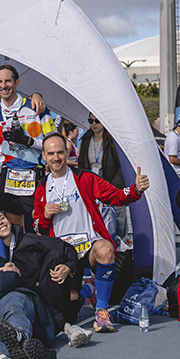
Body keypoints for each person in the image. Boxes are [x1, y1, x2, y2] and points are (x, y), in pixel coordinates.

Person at [34, 132, 148, 333]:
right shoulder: (41, 187)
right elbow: (38, 228)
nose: (56, 158)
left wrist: (135, 190)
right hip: (63, 254)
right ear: (44, 156)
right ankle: (88, 288)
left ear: (67, 152)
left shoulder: (84, 178)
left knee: (106, 250)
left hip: (88, 246)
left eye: (60, 152)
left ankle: (102, 311)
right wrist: (44, 215)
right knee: (68, 311)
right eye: (51, 153)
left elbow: (115, 196)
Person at [0, 207, 92, 348]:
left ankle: (69, 327)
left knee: (55, 256)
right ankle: (88, 290)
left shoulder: (29, 240)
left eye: (1, 218)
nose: (0, 222)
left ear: (9, 221)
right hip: (32, 300)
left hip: (50, 289)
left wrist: (69, 267)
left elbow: (66, 247)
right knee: (70, 305)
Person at [0, 63, 56, 229]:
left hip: (35, 174)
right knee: (15, 229)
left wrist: (28, 141)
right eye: (0, 82)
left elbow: (53, 144)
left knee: (39, 227)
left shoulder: (36, 108)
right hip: (9, 176)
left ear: (17, 83)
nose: (4, 86)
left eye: (8, 81)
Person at [78, 112, 129, 245]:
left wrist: (113, 187)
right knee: (96, 223)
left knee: (118, 224)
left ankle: (121, 253)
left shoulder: (113, 140)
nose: (94, 124)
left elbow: (122, 167)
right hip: (93, 188)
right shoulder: (86, 140)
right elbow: (82, 165)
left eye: (97, 121)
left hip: (112, 187)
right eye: (91, 121)